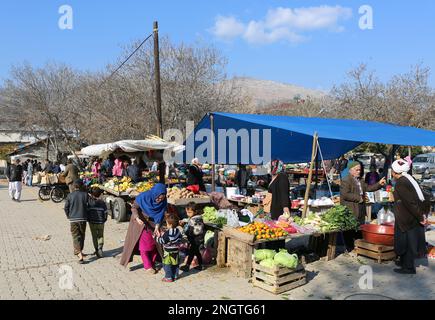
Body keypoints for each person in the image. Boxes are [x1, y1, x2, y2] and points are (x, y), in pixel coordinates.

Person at [120, 184, 167, 274]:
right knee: (144, 246)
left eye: (161, 199)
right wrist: (137, 218)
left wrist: (157, 226)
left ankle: (152, 263)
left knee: (155, 245)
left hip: (154, 224)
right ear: (155, 193)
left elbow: (160, 214)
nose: (159, 200)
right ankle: (147, 266)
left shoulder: (163, 201)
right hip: (141, 223)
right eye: (158, 198)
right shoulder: (144, 196)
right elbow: (134, 208)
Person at [391, 159, 427, 274]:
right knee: (406, 241)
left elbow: (410, 202)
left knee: (406, 242)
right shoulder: (409, 179)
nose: (391, 173)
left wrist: (421, 217)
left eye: (392, 171)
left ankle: (408, 268)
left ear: (395, 172)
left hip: (407, 217)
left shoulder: (402, 182)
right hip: (410, 216)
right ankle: (404, 263)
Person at [340, 161, 386, 251]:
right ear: (350, 170)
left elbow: (368, 188)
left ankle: (359, 246)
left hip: (360, 208)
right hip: (351, 208)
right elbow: (345, 194)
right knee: (349, 229)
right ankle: (350, 248)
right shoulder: (346, 180)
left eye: (360, 170)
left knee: (360, 227)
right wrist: (359, 198)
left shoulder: (360, 180)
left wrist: (379, 184)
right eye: (357, 170)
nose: (359, 172)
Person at [64, 179, 89, 264]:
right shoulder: (85, 195)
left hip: (73, 219)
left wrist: (69, 216)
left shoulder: (70, 195)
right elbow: (89, 205)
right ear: (82, 186)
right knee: (82, 235)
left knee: (75, 236)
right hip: (83, 219)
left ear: (74, 187)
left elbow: (66, 207)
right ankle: (80, 251)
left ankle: (79, 254)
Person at [156, 214, 183, 282]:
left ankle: (168, 277)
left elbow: (162, 241)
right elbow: (180, 238)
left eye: (167, 224)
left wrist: (157, 237)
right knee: (175, 263)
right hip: (176, 251)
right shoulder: (178, 231)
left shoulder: (167, 233)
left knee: (167, 264)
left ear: (170, 225)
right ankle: (175, 275)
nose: (166, 225)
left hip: (168, 252)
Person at [180, 203, 205, 272]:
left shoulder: (194, 220)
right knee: (197, 252)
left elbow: (194, 231)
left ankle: (187, 266)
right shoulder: (197, 218)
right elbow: (188, 220)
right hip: (198, 238)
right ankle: (201, 265)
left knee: (191, 252)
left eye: (190, 212)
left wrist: (186, 234)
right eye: (187, 212)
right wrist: (184, 221)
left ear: (195, 211)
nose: (188, 214)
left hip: (195, 239)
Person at [87, 187, 108, 258]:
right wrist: (104, 219)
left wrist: (88, 219)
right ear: (100, 194)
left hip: (92, 222)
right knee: (100, 235)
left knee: (94, 236)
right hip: (101, 222)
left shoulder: (89, 202)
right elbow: (105, 212)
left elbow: (87, 212)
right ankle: (100, 248)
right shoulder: (102, 203)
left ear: (92, 194)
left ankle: (96, 249)